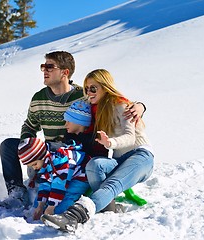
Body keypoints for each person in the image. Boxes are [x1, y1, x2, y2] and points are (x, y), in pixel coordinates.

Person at [0, 51, 145, 208]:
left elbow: (112, 99)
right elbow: (29, 125)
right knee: (8, 145)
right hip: (48, 149)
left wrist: (140, 106)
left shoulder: (84, 95)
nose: (44, 71)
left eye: (49, 66)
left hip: (75, 151)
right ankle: (17, 194)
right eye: (43, 66)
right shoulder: (38, 98)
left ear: (65, 72)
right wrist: (28, 145)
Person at [41, 69, 154, 233]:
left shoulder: (122, 106)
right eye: (87, 88)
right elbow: (77, 116)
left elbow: (130, 137)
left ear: (105, 87)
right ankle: (109, 209)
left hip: (141, 155)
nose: (89, 92)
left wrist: (110, 142)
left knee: (113, 184)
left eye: (93, 88)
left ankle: (74, 217)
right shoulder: (96, 109)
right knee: (94, 165)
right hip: (119, 159)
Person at [19, 100, 92, 220]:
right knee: (45, 196)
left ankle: (63, 216)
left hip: (81, 176)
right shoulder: (45, 161)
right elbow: (45, 184)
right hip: (66, 176)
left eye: (34, 164)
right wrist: (40, 205)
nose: (34, 168)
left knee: (65, 197)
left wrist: (51, 208)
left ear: (41, 156)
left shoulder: (58, 159)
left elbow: (59, 184)